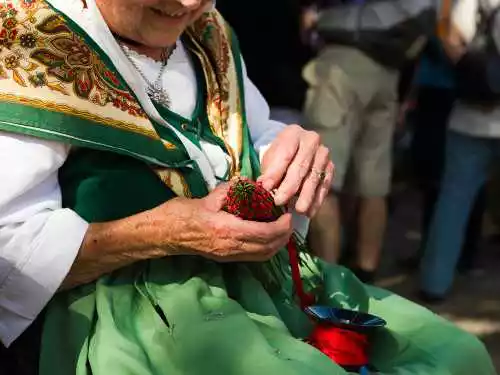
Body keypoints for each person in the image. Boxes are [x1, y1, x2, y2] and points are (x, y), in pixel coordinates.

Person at [0, 0, 494, 374]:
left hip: (270, 286)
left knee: (457, 355)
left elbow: (243, 132)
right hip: (137, 318)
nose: (191, 3)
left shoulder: (206, 30)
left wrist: (291, 148)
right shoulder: (26, 47)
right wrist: (157, 233)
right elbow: (9, 249)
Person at [302, 0, 434, 281]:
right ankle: (367, 270)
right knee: (373, 182)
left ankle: (329, 278)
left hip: (342, 62)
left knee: (321, 175)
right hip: (388, 67)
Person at [420, 0, 500, 300]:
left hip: (468, 118)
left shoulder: (468, 1)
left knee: (452, 202)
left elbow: (451, 44)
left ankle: (434, 282)